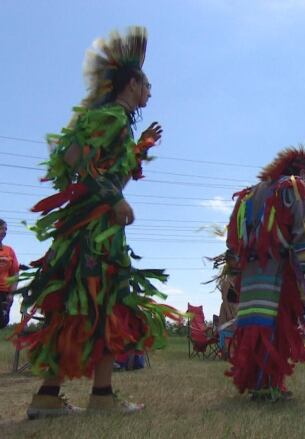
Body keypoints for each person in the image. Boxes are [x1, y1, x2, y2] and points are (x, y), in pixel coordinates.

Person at [13, 27, 180, 419]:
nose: (151, 92)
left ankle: (49, 395)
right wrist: (114, 198)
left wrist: (138, 150)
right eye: (148, 84)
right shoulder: (111, 118)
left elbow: (97, 163)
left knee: (79, 307)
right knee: (106, 303)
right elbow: (79, 164)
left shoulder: (112, 120)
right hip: (96, 232)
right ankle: (100, 395)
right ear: (133, 83)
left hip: (88, 229)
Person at [224, 124, 305, 402]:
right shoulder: (293, 188)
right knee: (276, 325)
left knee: (255, 323)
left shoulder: (250, 193)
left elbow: (234, 236)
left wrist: (236, 266)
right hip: (279, 272)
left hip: (251, 271)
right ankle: (268, 385)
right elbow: (301, 232)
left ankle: (260, 384)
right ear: (303, 173)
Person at [0, 219, 20, 329]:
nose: (4, 232)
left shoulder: (9, 251)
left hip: (4, 292)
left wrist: (11, 293)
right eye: (2, 228)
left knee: (3, 321)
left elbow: (15, 274)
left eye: (5, 229)